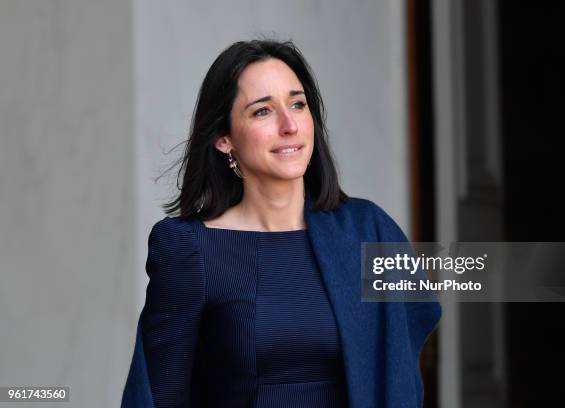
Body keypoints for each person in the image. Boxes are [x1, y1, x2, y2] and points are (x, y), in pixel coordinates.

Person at [122, 39, 442, 408]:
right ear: (224, 139)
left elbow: (404, 347)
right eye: (262, 112)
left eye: (297, 104)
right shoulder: (189, 251)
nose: (289, 125)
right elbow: (159, 396)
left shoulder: (367, 232)